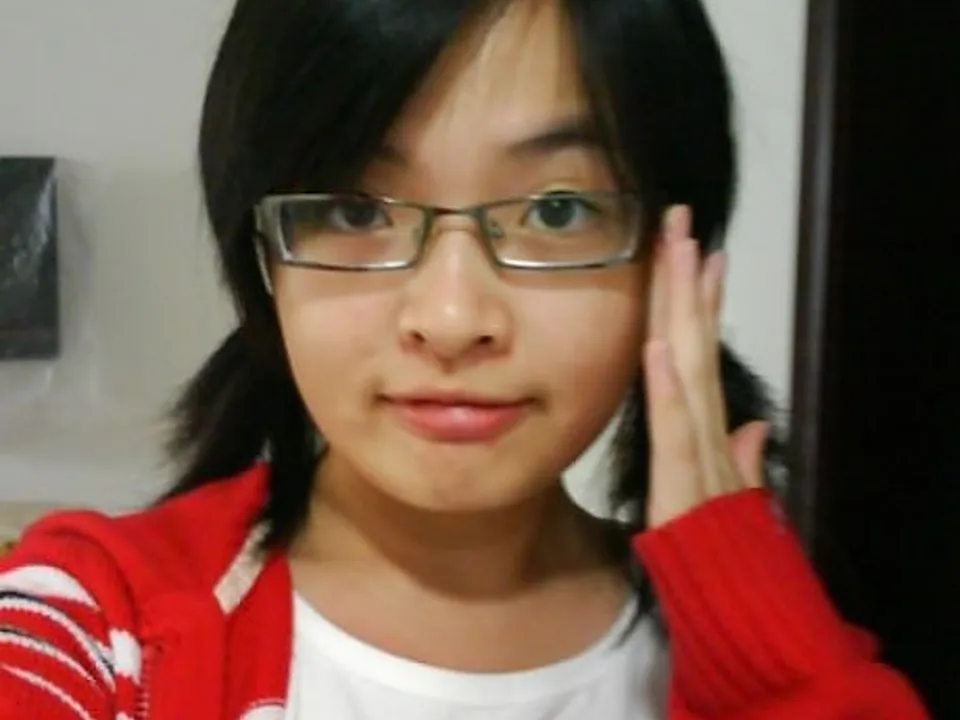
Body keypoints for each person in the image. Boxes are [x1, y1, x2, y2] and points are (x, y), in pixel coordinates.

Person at [0, 0, 931, 718]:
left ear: (671, 255)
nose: (451, 319)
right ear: (263, 260)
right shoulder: (94, 629)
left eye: (557, 209)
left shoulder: (783, 668)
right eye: (357, 210)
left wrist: (775, 680)